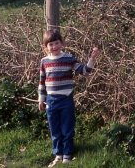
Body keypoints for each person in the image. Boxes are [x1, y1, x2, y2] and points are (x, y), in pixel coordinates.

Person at [38, 29, 100, 167]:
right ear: (46, 46)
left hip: (66, 100)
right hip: (51, 101)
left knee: (67, 129)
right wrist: (41, 99)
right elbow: (42, 82)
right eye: (51, 44)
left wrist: (92, 58)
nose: (54, 47)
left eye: (56, 43)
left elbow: (85, 71)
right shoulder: (44, 61)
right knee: (55, 130)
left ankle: (67, 155)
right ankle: (58, 155)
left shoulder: (69, 58)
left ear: (62, 43)